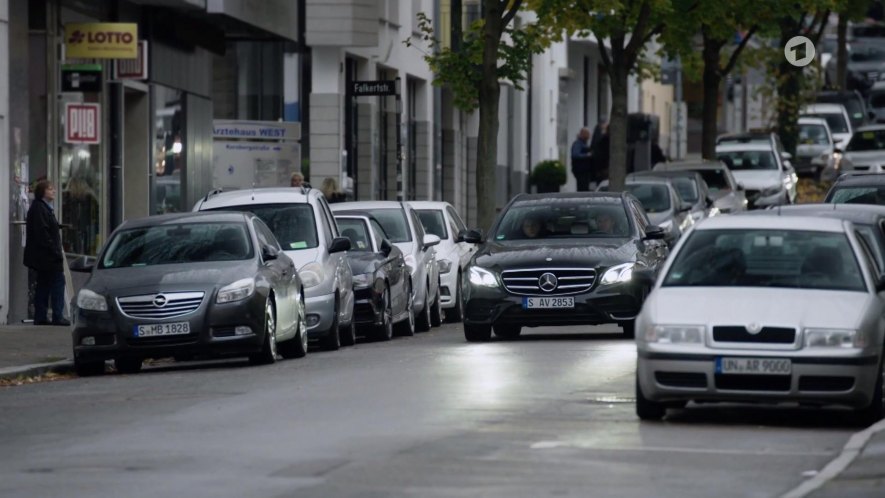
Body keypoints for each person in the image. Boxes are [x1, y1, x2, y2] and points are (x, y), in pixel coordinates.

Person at [24, 180, 69, 326]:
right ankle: (57, 315)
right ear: (42, 192)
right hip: (47, 256)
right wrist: (54, 250)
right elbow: (42, 233)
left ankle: (41, 316)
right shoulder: (40, 209)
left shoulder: (44, 208)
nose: (54, 191)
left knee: (44, 284)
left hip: (45, 255)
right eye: (50, 189)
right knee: (57, 282)